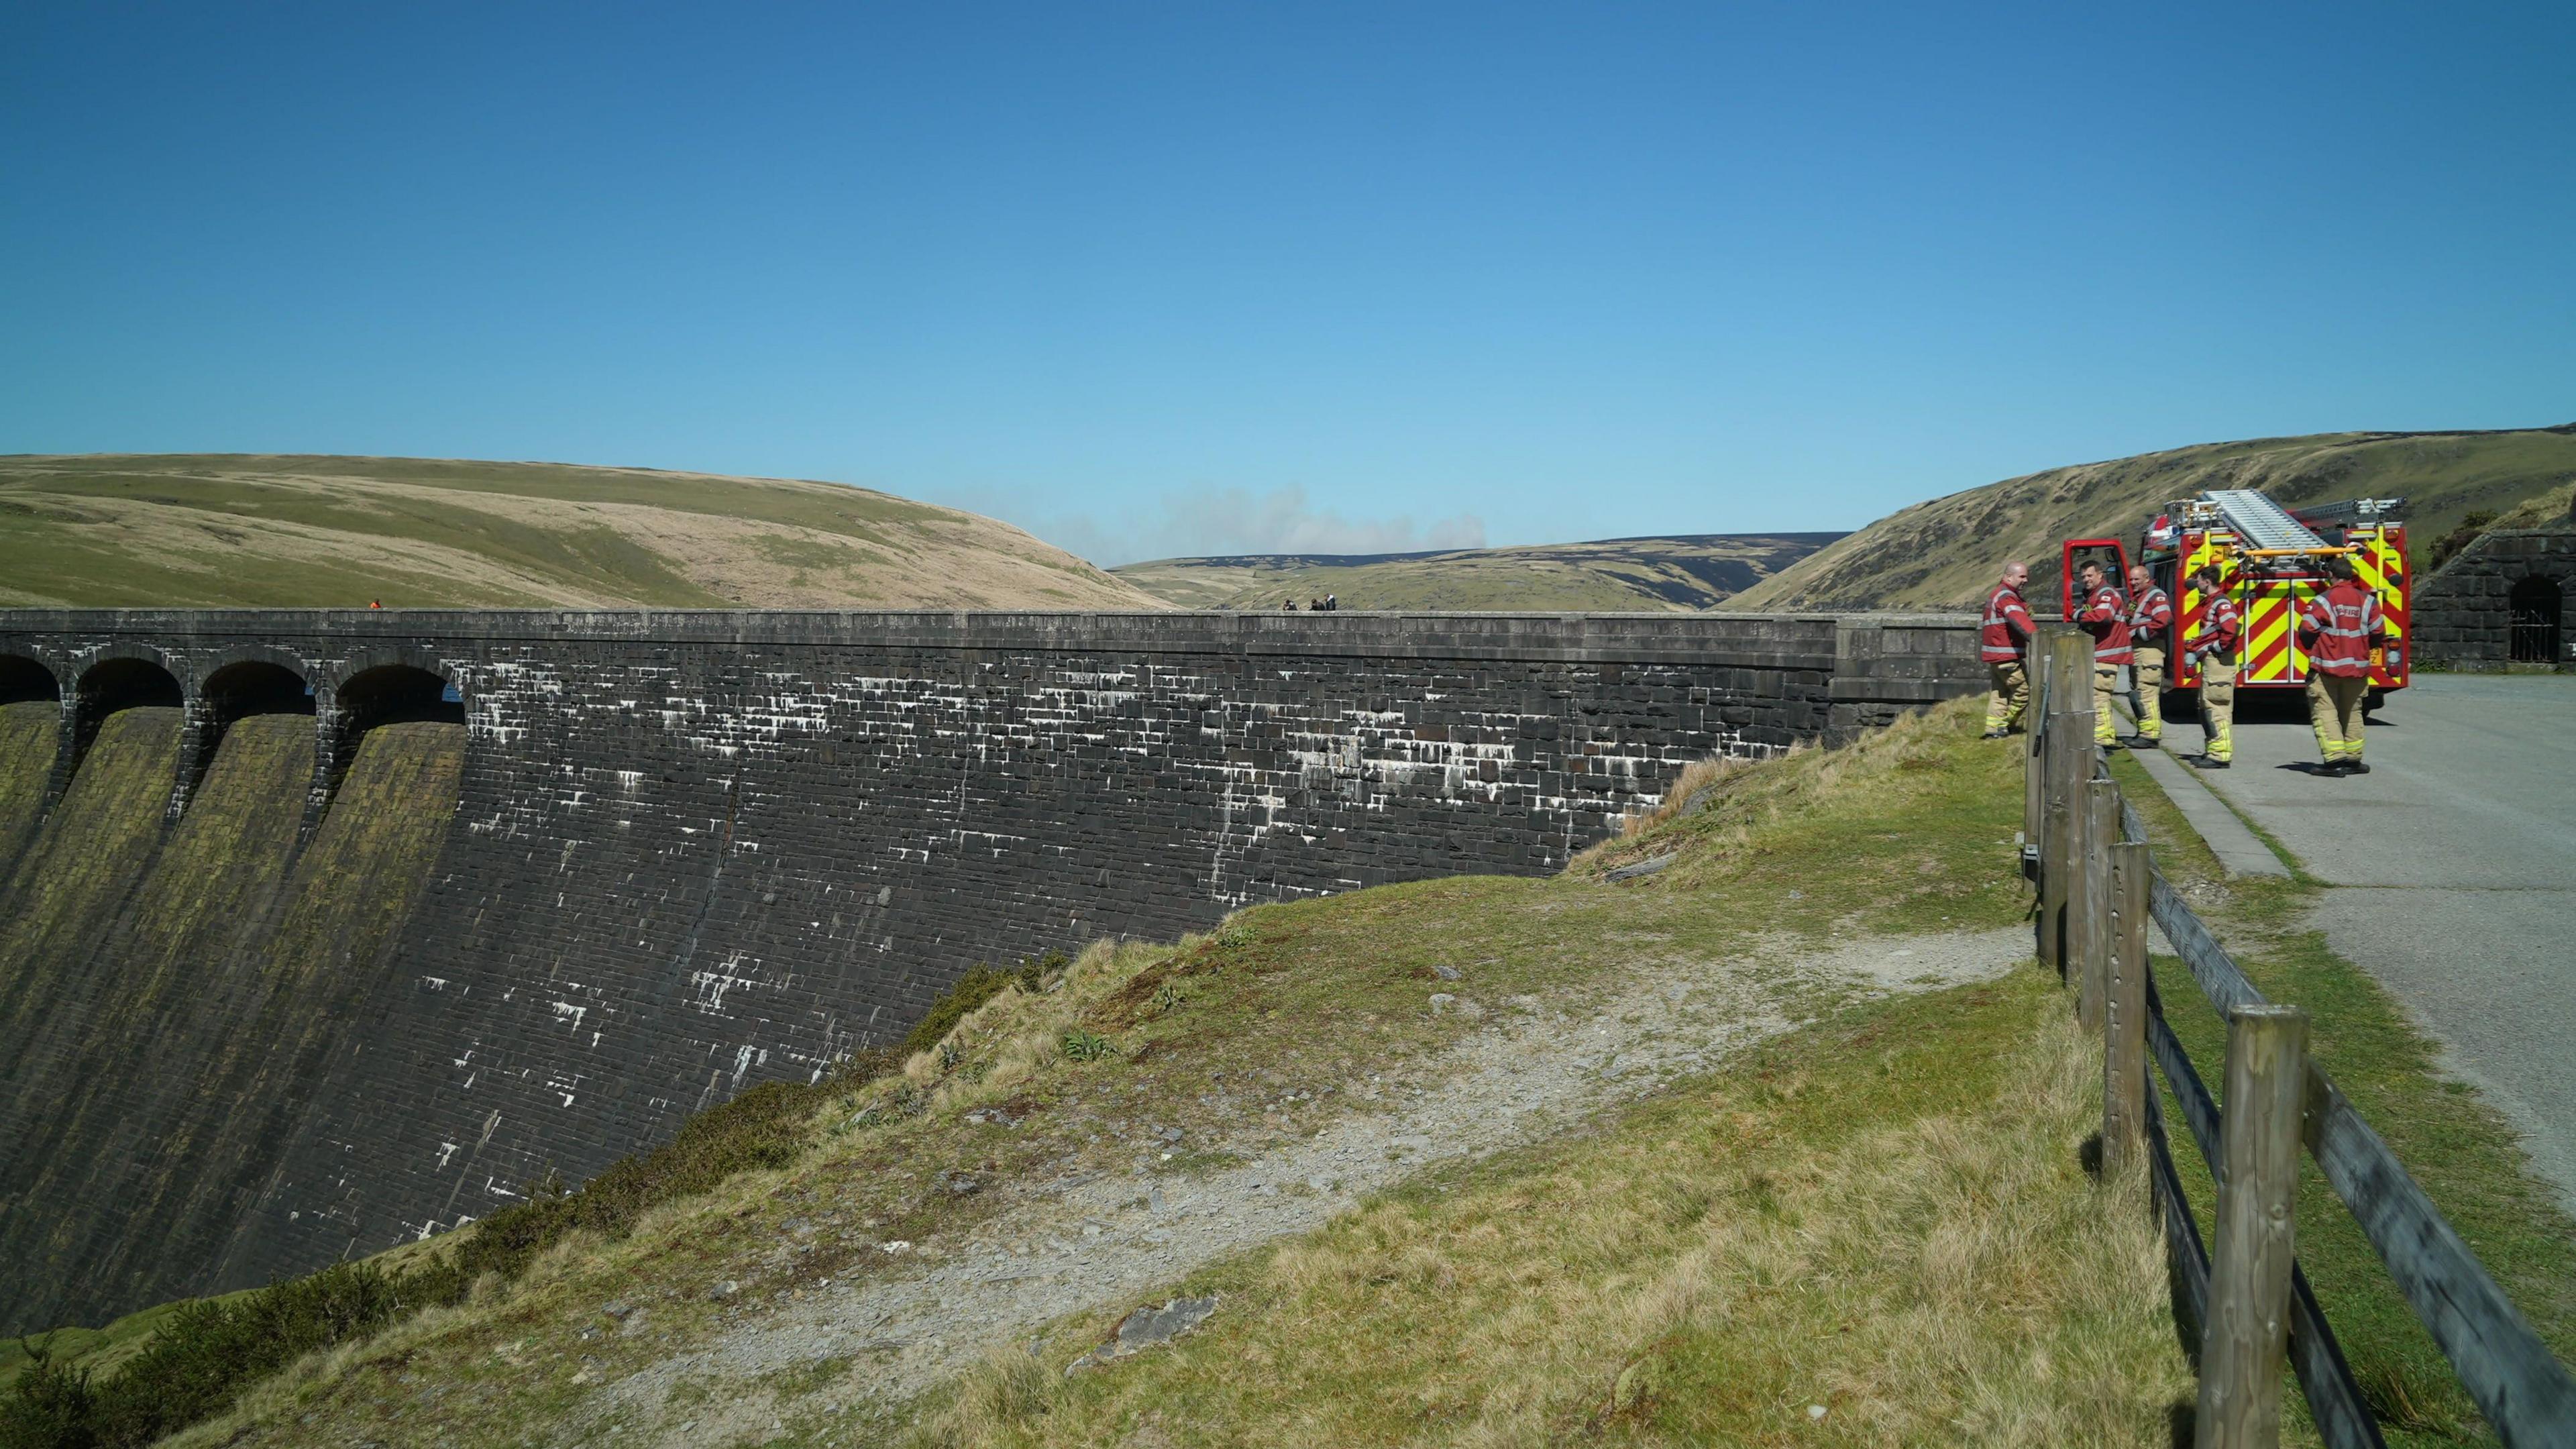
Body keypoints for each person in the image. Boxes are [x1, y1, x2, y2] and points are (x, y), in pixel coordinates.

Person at [2297, 554, 2389, 775]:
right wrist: (2365, 647)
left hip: (2327, 667)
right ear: (2351, 576)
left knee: (2325, 711)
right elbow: (2378, 632)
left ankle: (2334, 761)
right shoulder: (2368, 601)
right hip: (2357, 668)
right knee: (2353, 711)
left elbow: (2306, 630)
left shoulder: (2323, 600)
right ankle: (2353, 760)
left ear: (2331, 576)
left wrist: (2314, 647)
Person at [2181, 564, 2241, 769]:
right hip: (2214, 661)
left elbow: (2230, 632)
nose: (2195, 583)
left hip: (2219, 663)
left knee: (2217, 708)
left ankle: (2220, 755)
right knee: (2208, 707)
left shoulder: (2221, 603)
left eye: (2198, 579)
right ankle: (2213, 750)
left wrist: (2212, 648)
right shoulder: (2213, 603)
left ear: (2207, 581)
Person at [2074, 559, 2132, 749]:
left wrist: (2079, 615)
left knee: (2099, 697)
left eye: (2090, 575)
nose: (2086, 579)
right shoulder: (2096, 594)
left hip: (2107, 654)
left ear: (2100, 575)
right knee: (2100, 697)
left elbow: (2103, 617)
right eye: (2083, 576)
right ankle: (2104, 737)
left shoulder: (2106, 594)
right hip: (2102, 654)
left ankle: (2103, 740)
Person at [1980, 561, 2037, 738]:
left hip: (1996, 655)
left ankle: (1993, 729)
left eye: (2026, 576)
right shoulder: (2007, 596)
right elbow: (2019, 620)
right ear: (2008, 577)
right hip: (2006, 655)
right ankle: (2005, 725)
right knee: (2024, 693)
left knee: (1999, 694)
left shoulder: (1999, 594)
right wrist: (2038, 638)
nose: (2026, 580)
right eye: (2022, 576)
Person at [2124, 565, 2174, 748]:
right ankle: (2144, 730)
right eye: (2131, 580)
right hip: (2139, 651)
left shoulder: (2156, 596)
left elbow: (2163, 620)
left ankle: (2150, 735)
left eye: (2136, 579)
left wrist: (2139, 634)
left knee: (2147, 693)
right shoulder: (2138, 598)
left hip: (2150, 650)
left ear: (2147, 578)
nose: (2133, 583)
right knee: (2140, 692)